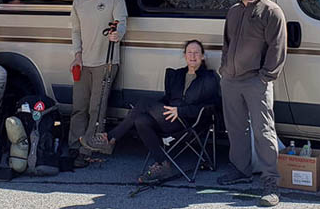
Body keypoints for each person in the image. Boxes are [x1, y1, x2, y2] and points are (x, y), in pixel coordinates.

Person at [83, 39, 221, 183]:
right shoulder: (178, 75)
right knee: (140, 119)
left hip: (189, 122)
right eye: (189, 52)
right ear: (184, 56)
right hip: (168, 119)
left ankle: (109, 137)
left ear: (203, 56)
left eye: (196, 53)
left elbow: (212, 106)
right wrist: (152, 109)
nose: (193, 56)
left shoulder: (209, 78)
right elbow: (167, 99)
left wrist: (181, 112)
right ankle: (163, 164)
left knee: (143, 103)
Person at [216, 0, 287, 207]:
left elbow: (278, 48)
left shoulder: (271, 11)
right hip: (231, 80)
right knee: (236, 128)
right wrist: (224, 70)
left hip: (256, 80)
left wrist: (265, 77)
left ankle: (270, 181)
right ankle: (241, 170)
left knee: (263, 130)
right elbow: (227, 43)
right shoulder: (234, 11)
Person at [70, 0, 127, 166]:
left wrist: (117, 34)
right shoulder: (78, 1)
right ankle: (73, 146)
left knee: (97, 108)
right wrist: (77, 55)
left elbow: (121, 21)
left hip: (106, 61)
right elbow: (75, 31)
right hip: (83, 62)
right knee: (79, 107)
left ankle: (88, 148)